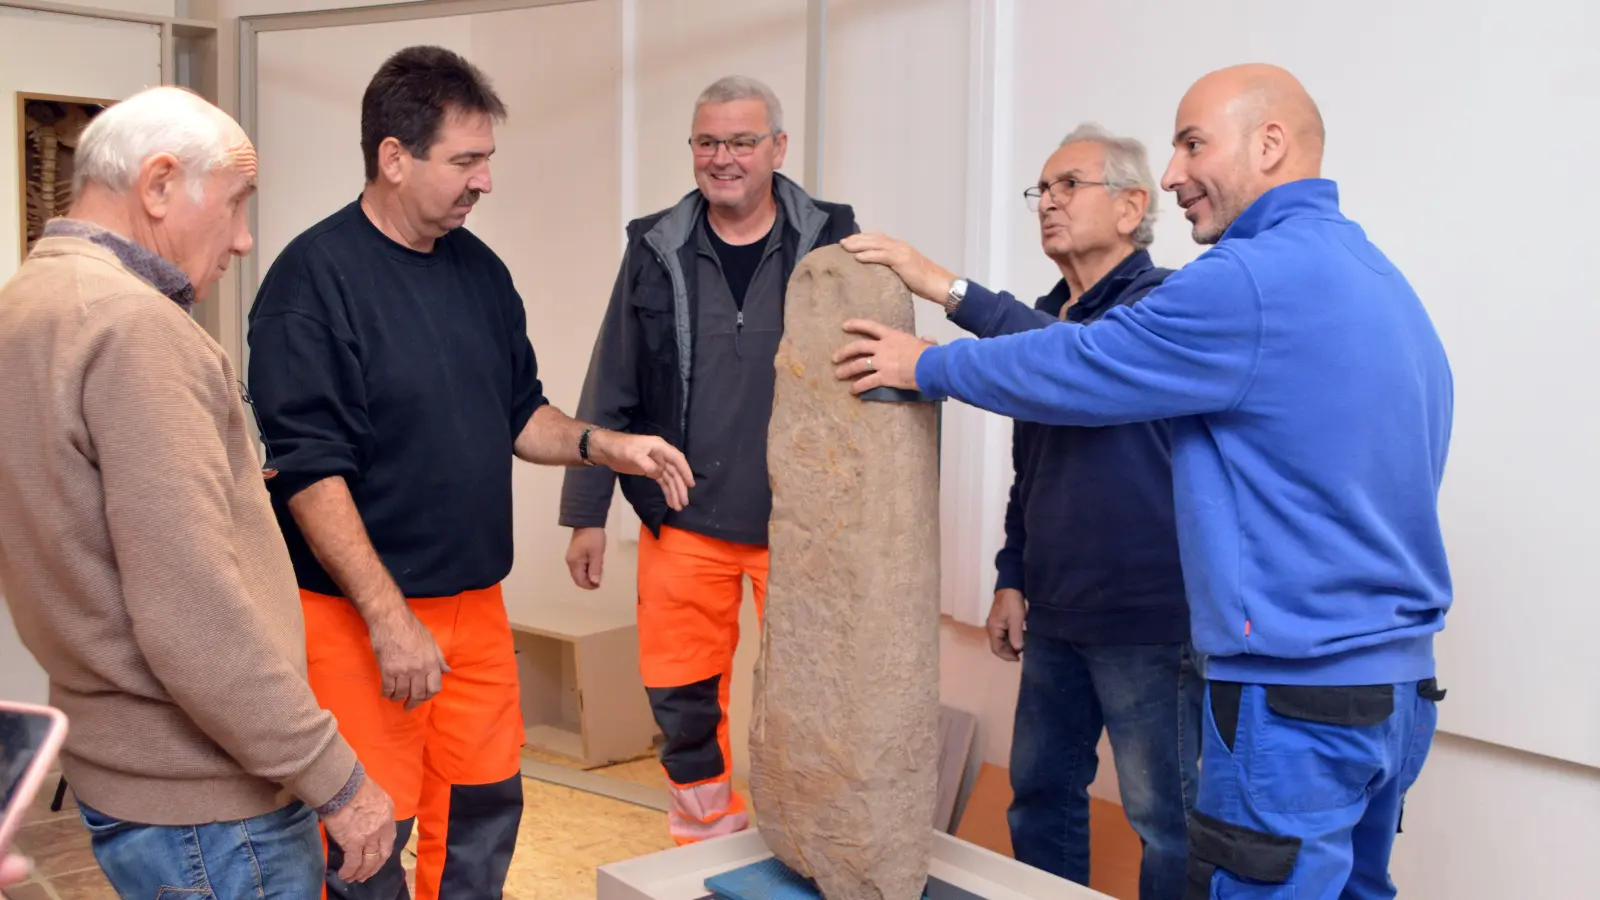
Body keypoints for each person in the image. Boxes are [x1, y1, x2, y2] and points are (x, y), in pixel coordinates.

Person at [832, 64, 1452, 900]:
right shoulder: (1382, 283)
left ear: (1270, 144)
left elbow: (1084, 361)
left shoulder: (1244, 283)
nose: (1171, 174)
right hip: (1392, 689)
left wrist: (928, 362)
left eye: (1193, 143)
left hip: (1293, 697)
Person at [245, 47, 693, 900]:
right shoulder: (312, 282)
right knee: (366, 840)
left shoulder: (481, 273)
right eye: (467, 160)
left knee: (484, 816)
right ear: (393, 157)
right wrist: (387, 618)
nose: (485, 181)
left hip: (474, 613)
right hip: (356, 615)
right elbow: (309, 471)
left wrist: (608, 444)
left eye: (487, 159)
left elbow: (520, 413)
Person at [0, 86, 395, 899]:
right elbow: (194, 614)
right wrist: (340, 782)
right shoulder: (136, 330)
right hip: (211, 803)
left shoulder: (31, 302)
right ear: (157, 185)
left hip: (121, 773)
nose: (245, 239)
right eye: (237, 203)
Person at [842, 123, 1201, 896]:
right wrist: (1012, 574)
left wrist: (943, 286)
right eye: (1043, 189)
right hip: (1057, 613)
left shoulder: (1166, 303)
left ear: (1133, 205)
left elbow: (1080, 363)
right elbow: (1033, 466)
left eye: (1070, 185)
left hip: (1150, 618)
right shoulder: (1046, 315)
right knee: (1039, 800)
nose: (1049, 204)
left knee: (1167, 821)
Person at [558, 75, 859, 844]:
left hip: (802, 525)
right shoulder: (655, 246)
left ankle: (812, 843)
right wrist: (586, 516)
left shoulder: (833, 241)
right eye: (707, 142)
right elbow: (610, 381)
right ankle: (706, 836)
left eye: (741, 141)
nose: (722, 158)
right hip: (683, 518)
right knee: (681, 695)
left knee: (819, 692)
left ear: (778, 148)